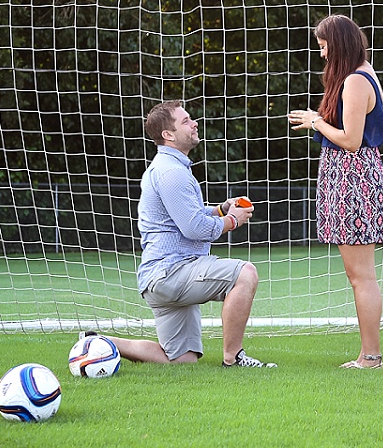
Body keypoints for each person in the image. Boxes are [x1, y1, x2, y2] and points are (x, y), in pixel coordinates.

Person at [86, 100, 276, 368]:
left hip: (161, 277)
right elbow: (194, 228)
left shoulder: (169, 168)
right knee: (245, 274)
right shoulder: (171, 172)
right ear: (168, 135)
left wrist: (221, 210)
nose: (194, 122)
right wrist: (232, 220)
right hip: (171, 273)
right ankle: (234, 358)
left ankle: (99, 342)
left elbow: (189, 216)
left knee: (182, 360)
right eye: (186, 120)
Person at [287, 15, 383, 369]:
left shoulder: (355, 81)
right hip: (350, 179)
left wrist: (314, 121)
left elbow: (350, 141)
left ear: (340, 44)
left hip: (354, 182)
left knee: (360, 275)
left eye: (323, 46)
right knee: (359, 275)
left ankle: (371, 357)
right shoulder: (362, 72)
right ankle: (369, 354)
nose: (321, 55)